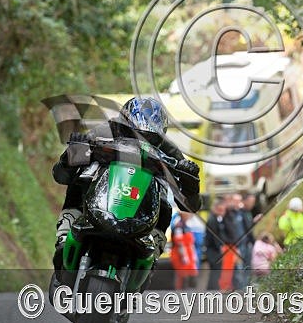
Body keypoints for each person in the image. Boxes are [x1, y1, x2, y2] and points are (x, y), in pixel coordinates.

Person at [49, 97, 201, 290]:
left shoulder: (168, 149)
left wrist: (190, 181)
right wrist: (73, 154)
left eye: (149, 137)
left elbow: (191, 205)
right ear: (123, 123)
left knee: (165, 204)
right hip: (105, 188)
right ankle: (64, 235)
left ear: (159, 135)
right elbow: (60, 175)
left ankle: (152, 253)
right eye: (133, 133)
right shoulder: (104, 131)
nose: (140, 140)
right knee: (81, 180)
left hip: (143, 200)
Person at [204, 199, 238, 291]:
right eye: (219, 210)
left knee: (219, 272)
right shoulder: (212, 220)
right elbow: (214, 237)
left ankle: (216, 289)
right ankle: (212, 290)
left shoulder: (221, 219)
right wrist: (220, 247)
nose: (222, 212)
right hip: (213, 251)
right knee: (215, 272)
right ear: (214, 209)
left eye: (223, 210)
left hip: (216, 250)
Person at [170, 211, 198, 290]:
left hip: (189, 255)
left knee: (191, 275)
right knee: (182, 276)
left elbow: (191, 243)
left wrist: (193, 255)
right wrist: (184, 256)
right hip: (180, 255)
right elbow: (179, 243)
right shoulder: (178, 226)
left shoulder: (186, 226)